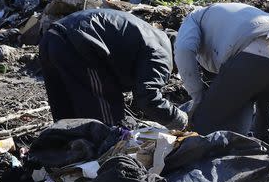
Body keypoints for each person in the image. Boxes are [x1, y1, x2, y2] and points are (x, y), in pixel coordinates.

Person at [39, 9, 187, 130]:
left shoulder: (151, 35)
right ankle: (104, 161)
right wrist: (179, 120)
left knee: (65, 115)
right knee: (107, 125)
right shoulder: (162, 52)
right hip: (78, 44)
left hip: (51, 37)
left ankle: (66, 156)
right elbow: (147, 97)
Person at [174, 2, 269, 146]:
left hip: (252, 54)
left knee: (204, 119)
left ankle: (197, 161)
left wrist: (197, 97)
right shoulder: (222, 16)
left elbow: (183, 50)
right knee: (267, 108)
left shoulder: (192, 18)